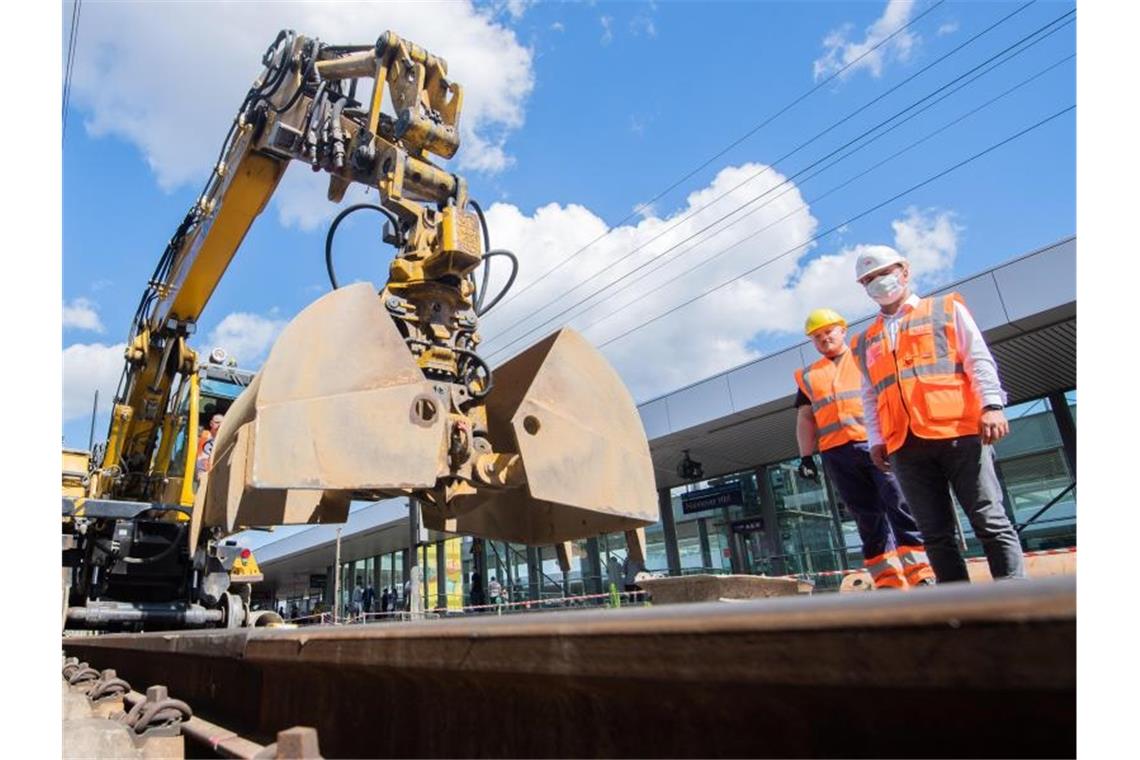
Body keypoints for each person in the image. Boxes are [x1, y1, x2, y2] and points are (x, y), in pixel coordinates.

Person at [851, 248, 1026, 583]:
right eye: (868, 280)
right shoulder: (866, 339)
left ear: (904, 270)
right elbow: (870, 395)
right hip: (904, 444)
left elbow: (978, 358)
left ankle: (1018, 601)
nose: (877, 282)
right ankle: (956, 611)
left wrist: (991, 405)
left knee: (989, 521)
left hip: (959, 432)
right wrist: (876, 439)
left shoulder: (945, 309)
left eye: (883, 273)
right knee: (934, 534)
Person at [794, 308, 936, 589]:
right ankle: (886, 579)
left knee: (899, 503)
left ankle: (921, 573)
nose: (824, 339)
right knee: (865, 515)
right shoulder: (809, 375)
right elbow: (805, 417)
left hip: (877, 442)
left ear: (842, 330)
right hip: (837, 453)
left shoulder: (866, 357)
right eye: (817, 337)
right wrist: (805, 457)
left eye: (828, 332)